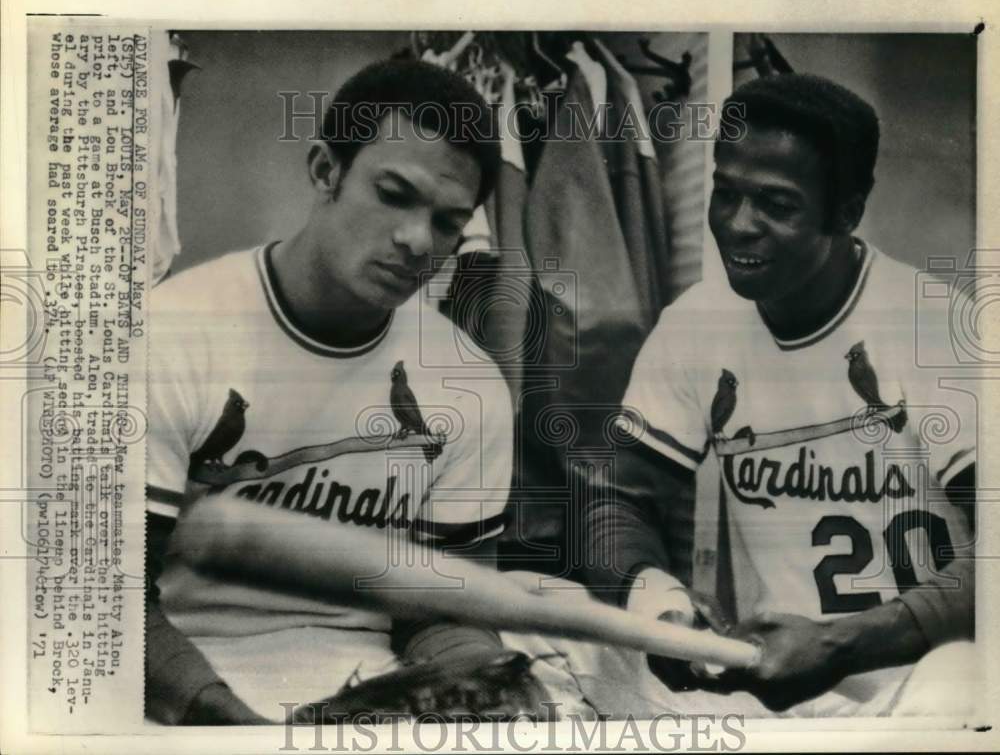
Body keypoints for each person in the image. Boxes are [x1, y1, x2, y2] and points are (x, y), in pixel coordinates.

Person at [585, 73, 977, 717]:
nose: (739, 225)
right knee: (560, 624)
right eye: (726, 193)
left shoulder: (937, 326)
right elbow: (612, 503)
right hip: (776, 676)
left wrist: (842, 643)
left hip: (919, 677)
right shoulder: (697, 323)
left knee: (960, 674)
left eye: (777, 204)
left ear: (846, 211)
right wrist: (656, 602)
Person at [145, 59, 524, 724]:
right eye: (394, 194)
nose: (415, 240)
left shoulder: (465, 381)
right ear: (324, 170)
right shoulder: (171, 333)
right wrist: (235, 727)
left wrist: (478, 682)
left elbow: (442, 615)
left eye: (446, 222)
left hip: (367, 692)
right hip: (179, 690)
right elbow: (105, 601)